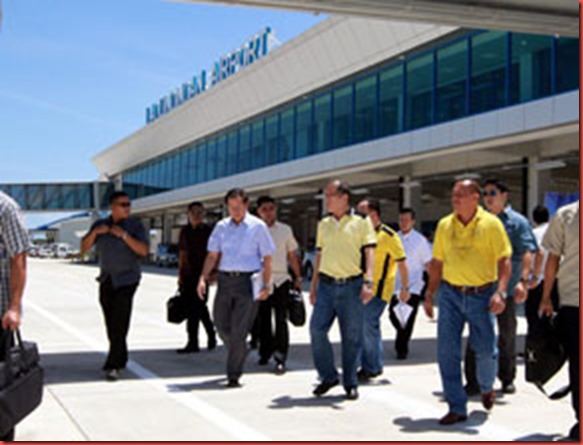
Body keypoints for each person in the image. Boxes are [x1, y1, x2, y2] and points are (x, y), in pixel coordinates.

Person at [424, 179, 511, 425]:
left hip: (482, 295)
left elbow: (504, 260)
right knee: (446, 352)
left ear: (475, 197)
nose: (455, 199)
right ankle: (456, 406)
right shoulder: (444, 225)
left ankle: (486, 386)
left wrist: (501, 292)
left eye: (461, 195)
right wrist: (430, 294)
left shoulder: (491, 224)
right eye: (453, 195)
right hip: (450, 295)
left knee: (485, 351)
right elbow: (437, 263)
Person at [464, 179, 538, 396]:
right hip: (479, 287)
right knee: (476, 335)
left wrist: (523, 281)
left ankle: (506, 378)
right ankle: (473, 381)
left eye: (492, 192)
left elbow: (528, 251)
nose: (488, 197)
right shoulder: (477, 222)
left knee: (506, 334)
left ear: (504, 195)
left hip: (505, 289)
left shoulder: (517, 222)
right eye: (484, 193)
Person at [197, 188, 275, 388]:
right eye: (231, 208)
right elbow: (212, 255)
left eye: (239, 207)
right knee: (221, 324)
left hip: (248, 282)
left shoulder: (258, 226)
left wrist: (266, 284)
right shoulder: (221, 227)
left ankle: (233, 375)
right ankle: (240, 349)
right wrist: (203, 278)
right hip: (225, 281)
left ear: (246, 205)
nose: (235, 211)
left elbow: (267, 258)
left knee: (239, 330)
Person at [309, 180, 376, 401]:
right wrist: (314, 286)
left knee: (352, 337)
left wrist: (369, 282)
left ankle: (350, 382)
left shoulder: (361, 222)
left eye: (330, 195)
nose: (326, 200)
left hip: (352, 286)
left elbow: (369, 254)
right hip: (326, 287)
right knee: (317, 330)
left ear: (344, 197)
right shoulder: (324, 224)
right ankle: (328, 376)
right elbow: (319, 256)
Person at [80, 191, 148, 381]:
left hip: (127, 280)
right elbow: (83, 248)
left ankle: (113, 364)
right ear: (112, 207)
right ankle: (121, 355)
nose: (127, 207)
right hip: (107, 279)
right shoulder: (100, 225)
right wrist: (94, 233)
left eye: (128, 204)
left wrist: (124, 236)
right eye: (123, 204)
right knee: (111, 322)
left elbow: (143, 250)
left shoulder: (135, 225)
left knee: (120, 320)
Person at [539, 200, 579, 441]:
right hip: (574, 301)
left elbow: (552, 260)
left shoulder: (566, 215)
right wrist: (545, 296)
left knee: (578, 363)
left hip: (574, 301)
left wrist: (546, 297)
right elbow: (551, 259)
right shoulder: (565, 215)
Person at [355, 199, 407, 382]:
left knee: (369, 323)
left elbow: (401, 262)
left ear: (374, 214)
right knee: (362, 327)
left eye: (362, 213)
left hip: (379, 290)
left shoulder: (389, 236)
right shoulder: (359, 235)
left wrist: (405, 288)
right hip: (360, 288)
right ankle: (367, 364)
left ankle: (372, 367)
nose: (357, 217)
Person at [256, 196, 303, 374]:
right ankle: (265, 351)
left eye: (271, 208)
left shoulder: (285, 230)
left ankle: (280, 356)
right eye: (264, 209)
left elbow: (292, 255)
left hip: (282, 280)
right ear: (258, 212)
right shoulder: (254, 230)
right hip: (261, 281)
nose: (268, 212)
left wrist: (298, 277)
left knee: (281, 320)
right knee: (263, 319)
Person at [0, 191, 29, 442]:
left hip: (0, 314)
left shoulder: (5, 207)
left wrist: (14, 306)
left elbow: (18, 257)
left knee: (2, 389)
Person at [390, 207, 431, 360]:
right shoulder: (394, 238)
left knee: (408, 316)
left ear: (413, 222)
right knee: (393, 314)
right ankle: (401, 335)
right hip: (396, 285)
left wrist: (432, 286)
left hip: (414, 285)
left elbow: (428, 263)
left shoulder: (420, 241)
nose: (404, 223)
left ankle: (402, 348)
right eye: (401, 220)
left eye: (407, 220)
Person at [176, 202, 216, 353]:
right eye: (194, 212)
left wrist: (213, 272)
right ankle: (203, 337)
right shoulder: (184, 231)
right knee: (194, 308)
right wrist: (180, 275)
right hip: (187, 275)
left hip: (203, 275)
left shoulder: (208, 231)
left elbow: (215, 253)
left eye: (200, 212)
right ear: (188, 214)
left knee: (198, 307)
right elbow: (182, 254)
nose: (197, 215)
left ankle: (197, 341)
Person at [525, 205, 559, 332]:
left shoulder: (533, 234)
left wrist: (534, 276)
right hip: (555, 280)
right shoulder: (555, 233)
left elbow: (539, 254)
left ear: (534, 219)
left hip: (538, 281)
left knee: (533, 316)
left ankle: (532, 348)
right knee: (552, 316)